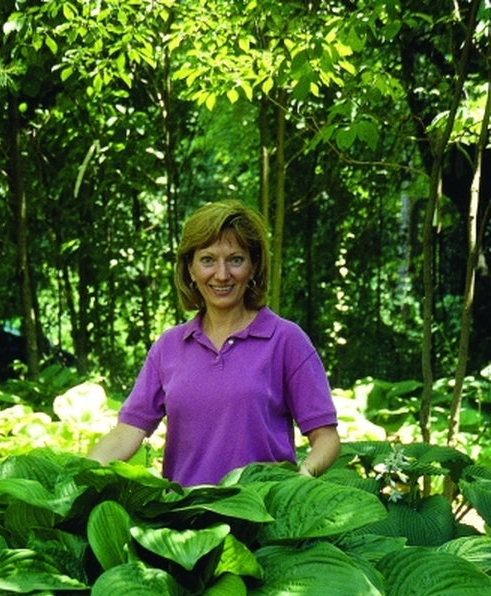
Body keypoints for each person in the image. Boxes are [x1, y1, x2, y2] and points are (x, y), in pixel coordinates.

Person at [88, 200, 340, 486]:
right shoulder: (169, 346)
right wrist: (80, 475)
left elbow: (327, 438)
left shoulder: (286, 340)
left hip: (265, 518)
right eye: (208, 260)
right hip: (186, 520)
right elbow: (127, 431)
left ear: (254, 266)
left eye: (235, 259)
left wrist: (303, 476)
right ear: (191, 270)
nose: (221, 275)